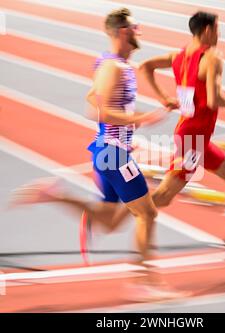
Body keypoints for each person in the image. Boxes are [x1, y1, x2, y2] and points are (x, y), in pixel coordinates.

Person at [11, 8, 187, 301]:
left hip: (110, 150)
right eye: (135, 27)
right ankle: (145, 281)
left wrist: (128, 130)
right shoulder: (114, 68)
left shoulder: (113, 64)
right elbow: (97, 109)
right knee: (147, 213)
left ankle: (55, 194)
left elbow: (92, 95)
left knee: (109, 221)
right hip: (113, 153)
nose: (140, 31)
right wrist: (142, 120)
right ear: (122, 32)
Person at [139, 11, 225, 248]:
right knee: (164, 196)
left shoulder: (178, 56)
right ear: (207, 30)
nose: (219, 34)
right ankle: (121, 212)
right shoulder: (213, 57)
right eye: (217, 29)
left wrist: (164, 98)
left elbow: (145, 66)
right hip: (193, 139)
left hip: (195, 137)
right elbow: (214, 101)